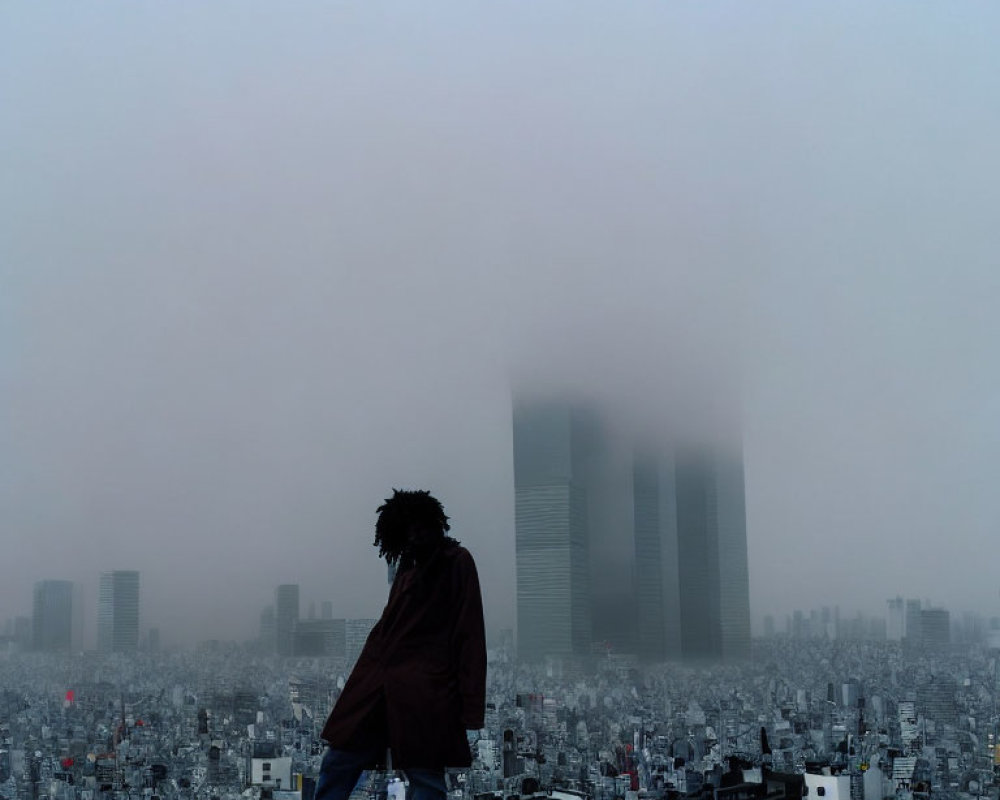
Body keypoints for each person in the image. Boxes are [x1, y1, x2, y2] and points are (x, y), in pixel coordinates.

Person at [316, 489, 487, 800]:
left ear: (435, 524)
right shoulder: (406, 568)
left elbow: (470, 633)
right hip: (379, 688)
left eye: (420, 526)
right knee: (339, 759)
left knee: (424, 774)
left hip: (425, 691)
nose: (414, 535)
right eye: (407, 530)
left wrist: (471, 708)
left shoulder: (456, 562)